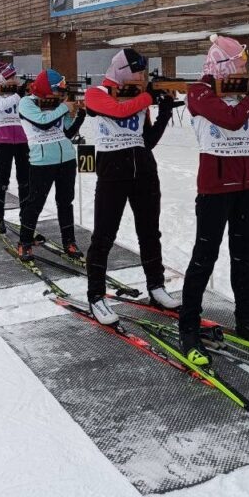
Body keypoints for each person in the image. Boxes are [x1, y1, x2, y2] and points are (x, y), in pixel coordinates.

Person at [176, 35, 249, 367]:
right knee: (204, 257)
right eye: (239, 64)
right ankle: (189, 327)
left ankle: (247, 319)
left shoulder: (241, 98)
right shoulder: (199, 92)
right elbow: (229, 119)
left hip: (246, 187)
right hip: (214, 189)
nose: (241, 70)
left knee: (244, 257)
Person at [82, 49, 179, 324]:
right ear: (123, 69)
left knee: (150, 233)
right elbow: (116, 110)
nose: (141, 76)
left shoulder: (138, 97)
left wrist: (164, 113)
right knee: (104, 235)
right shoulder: (97, 93)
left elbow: (146, 140)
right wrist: (148, 96)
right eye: (137, 71)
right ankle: (96, 296)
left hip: (144, 170)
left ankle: (156, 286)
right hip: (112, 172)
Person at [16, 69, 86, 261]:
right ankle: (25, 243)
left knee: (65, 203)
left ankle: (69, 242)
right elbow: (43, 123)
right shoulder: (26, 103)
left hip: (66, 159)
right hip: (42, 161)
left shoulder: (57, 105)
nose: (59, 94)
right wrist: (64, 107)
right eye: (57, 90)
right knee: (35, 203)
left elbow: (68, 133)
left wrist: (79, 114)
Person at [0, 60, 30, 234]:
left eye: (14, 78)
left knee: (25, 180)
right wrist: (18, 94)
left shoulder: (17, 92)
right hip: (2, 138)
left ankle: (26, 217)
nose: (13, 81)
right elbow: (1, 104)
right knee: (3, 179)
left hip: (22, 138)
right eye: (8, 78)